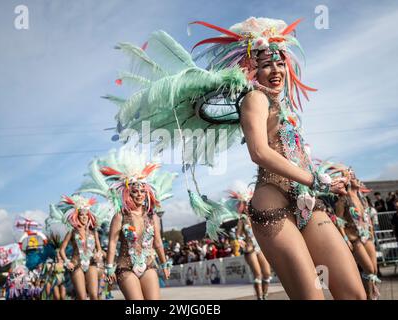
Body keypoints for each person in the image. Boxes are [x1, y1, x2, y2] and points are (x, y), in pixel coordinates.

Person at [106, 17, 365, 300]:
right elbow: (260, 152)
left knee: (354, 293)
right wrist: (315, 179)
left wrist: (327, 179)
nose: (275, 70)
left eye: (279, 63)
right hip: (273, 206)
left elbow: (294, 153)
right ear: (252, 69)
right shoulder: (255, 99)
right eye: (266, 64)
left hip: (307, 201)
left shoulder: (285, 105)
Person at [104, 160, 171, 300]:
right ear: (128, 193)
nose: (139, 194)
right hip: (125, 268)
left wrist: (164, 264)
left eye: (142, 191)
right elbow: (112, 243)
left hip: (148, 265)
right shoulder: (120, 216)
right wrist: (109, 266)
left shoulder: (153, 217)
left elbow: (158, 242)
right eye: (135, 191)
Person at [334, 169, 380, 300]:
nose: (357, 180)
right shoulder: (343, 199)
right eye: (353, 178)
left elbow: (367, 217)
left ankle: (372, 297)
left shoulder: (362, 198)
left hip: (367, 237)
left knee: (375, 271)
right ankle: (368, 296)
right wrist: (345, 239)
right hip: (354, 238)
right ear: (347, 181)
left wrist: (371, 231)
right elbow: (339, 220)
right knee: (369, 270)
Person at [59, 195, 104, 300]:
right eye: (81, 215)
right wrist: (67, 262)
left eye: (86, 215)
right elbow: (62, 250)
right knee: (82, 297)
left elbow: (99, 248)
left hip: (91, 264)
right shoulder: (72, 232)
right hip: (76, 264)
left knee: (94, 295)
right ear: (76, 216)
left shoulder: (93, 232)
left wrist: (98, 254)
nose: (84, 217)